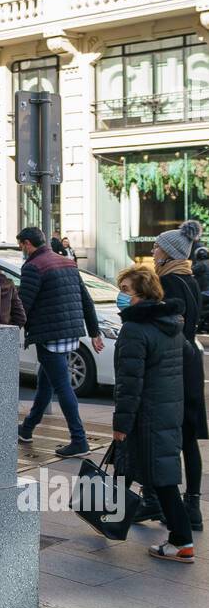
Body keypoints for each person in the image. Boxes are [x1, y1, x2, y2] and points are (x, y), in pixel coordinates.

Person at [113, 266, 193, 563]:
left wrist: (121, 424)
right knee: (156, 473)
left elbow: (130, 383)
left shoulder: (135, 328)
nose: (121, 296)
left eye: (126, 290)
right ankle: (175, 537)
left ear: (141, 294)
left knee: (162, 480)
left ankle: (182, 541)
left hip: (147, 414)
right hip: (167, 409)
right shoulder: (170, 322)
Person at [137, 220, 207, 532]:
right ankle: (192, 505)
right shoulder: (189, 279)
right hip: (189, 362)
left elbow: (167, 326)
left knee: (163, 435)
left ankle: (159, 500)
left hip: (172, 365)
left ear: (168, 252)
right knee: (187, 438)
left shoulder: (170, 283)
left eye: (156, 247)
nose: (152, 251)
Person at [16, 225, 104, 457]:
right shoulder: (67, 262)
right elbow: (86, 300)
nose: (21, 250)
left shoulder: (33, 266)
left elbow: (24, 305)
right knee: (45, 383)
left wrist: (10, 327)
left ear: (27, 243)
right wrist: (94, 332)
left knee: (63, 387)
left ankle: (79, 439)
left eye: (21, 245)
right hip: (70, 333)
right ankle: (26, 429)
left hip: (48, 336)